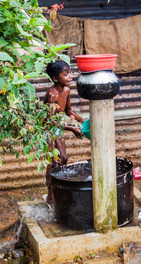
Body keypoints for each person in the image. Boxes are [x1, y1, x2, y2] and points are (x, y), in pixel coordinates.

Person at [44, 60, 85, 207]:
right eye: (66, 74)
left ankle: (57, 190)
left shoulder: (66, 91)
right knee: (53, 161)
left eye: (70, 73)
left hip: (58, 128)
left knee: (64, 159)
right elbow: (49, 120)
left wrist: (81, 119)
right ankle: (50, 195)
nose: (70, 77)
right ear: (55, 78)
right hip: (48, 131)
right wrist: (71, 128)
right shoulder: (51, 94)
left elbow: (68, 111)